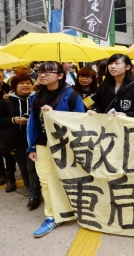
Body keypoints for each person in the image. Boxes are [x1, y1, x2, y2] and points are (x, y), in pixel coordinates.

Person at [27, 61, 84, 237]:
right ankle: (52, 216)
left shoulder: (72, 96)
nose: (42, 75)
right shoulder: (35, 97)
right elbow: (33, 123)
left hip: (64, 145)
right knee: (45, 181)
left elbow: (81, 123)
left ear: (60, 75)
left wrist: (54, 115)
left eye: (48, 72)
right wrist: (31, 147)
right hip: (42, 144)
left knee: (64, 179)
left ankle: (72, 210)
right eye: (40, 72)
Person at [0, 74, 42, 209]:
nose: (25, 85)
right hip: (16, 141)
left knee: (32, 168)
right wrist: (13, 120)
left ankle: (34, 195)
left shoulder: (38, 98)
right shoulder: (5, 102)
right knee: (23, 167)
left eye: (28, 83)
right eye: (21, 83)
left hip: (35, 140)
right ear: (14, 86)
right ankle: (32, 189)